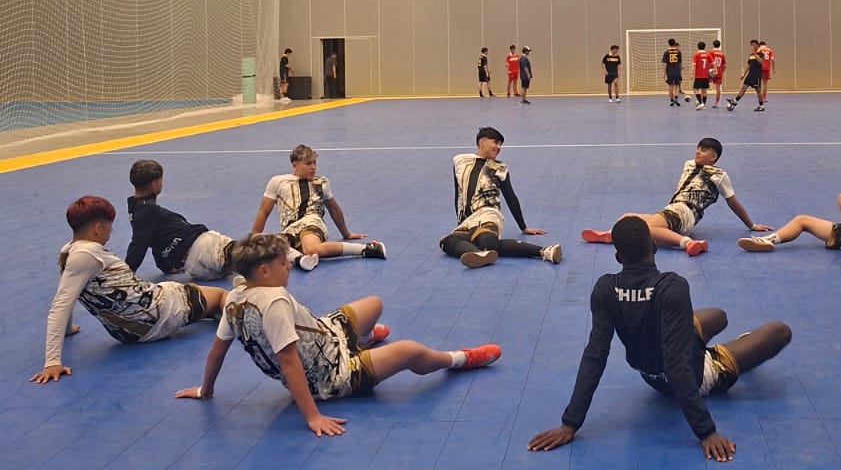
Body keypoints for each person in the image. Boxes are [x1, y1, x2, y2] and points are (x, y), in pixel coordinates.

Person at [176, 233, 500, 436]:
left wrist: (206, 389)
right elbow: (288, 362)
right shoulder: (273, 302)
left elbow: (217, 350)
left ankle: (362, 342)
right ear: (264, 271)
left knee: (373, 304)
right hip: (330, 375)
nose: (289, 267)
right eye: (283, 263)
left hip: (325, 335)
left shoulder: (235, 297)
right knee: (409, 351)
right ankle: (458, 359)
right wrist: (313, 416)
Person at [528, 216, 792, 461]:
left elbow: (594, 356)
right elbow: (676, 364)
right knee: (779, 331)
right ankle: (721, 355)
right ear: (653, 247)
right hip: (693, 377)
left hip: (650, 373)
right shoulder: (672, 286)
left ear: (618, 257)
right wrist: (706, 432)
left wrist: (570, 423)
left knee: (718, 316)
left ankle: (706, 344)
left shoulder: (605, 288)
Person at [32, 196, 225, 384]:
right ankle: (233, 321)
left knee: (192, 294)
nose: (111, 230)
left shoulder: (67, 252)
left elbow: (68, 291)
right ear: (98, 228)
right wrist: (52, 362)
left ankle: (207, 311)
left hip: (127, 331)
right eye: (109, 225)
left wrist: (67, 329)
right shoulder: (87, 255)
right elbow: (61, 305)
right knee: (220, 296)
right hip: (158, 315)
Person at [127, 159, 316, 279]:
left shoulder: (137, 210)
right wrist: (126, 274)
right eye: (161, 181)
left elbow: (152, 240)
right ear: (154, 185)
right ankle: (298, 259)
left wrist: (166, 267)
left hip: (195, 268)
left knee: (236, 264)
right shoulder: (148, 210)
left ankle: (277, 263)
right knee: (255, 248)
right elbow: (139, 244)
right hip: (204, 248)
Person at [580, 137, 766, 255]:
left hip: (686, 212)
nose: (698, 151)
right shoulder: (689, 164)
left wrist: (751, 225)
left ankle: (687, 243)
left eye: (703, 150)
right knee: (626, 217)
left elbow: (732, 202)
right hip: (672, 209)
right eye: (698, 147)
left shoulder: (719, 175)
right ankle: (613, 233)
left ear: (714, 157)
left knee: (645, 228)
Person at [439, 126, 561, 268]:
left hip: (489, 214)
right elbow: (459, 193)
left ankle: (544, 251)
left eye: (500, 144)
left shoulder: (499, 167)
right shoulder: (459, 161)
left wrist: (523, 226)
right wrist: (460, 221)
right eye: (495, 142)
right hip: (468, 219)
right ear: (482, 142)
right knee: (447, 242)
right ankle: (479, 255)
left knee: (486, 241)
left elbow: (510, 196)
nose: (499, 147)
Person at [250, 144, 386, 263]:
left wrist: (346, 233)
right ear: (294, 164)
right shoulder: (277, 182)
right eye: (308, 164)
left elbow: (334, 209)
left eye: (314, 163)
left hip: (312, 222)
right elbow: (263, 212)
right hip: (289, 229)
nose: (313, 167)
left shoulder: (321, 182)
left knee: (312, 249)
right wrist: (253, 240)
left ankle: (367, 249)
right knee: (267, 250)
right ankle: (300, 260)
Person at [727, 41, 764, 110]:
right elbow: (749, 65)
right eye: (751, 45)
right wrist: (744, 74)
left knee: (758, 91)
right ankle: (735, 101)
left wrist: (754, 53)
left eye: (754, 45)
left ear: (758, 45)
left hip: (756, 75)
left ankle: (761, 106)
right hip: (750, 74)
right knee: (743, 87)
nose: (753, 46)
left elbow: (760, 61)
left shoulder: (761, 54)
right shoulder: (751, 55)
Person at [662, 39, 684, 106]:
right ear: (674, 43)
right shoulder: (678, 52)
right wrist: (680, 69)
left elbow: (664, 64)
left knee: (670, 85)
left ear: (668, 43)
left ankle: (671, 100)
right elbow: (680, 63)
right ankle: (676, 98)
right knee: (677, 85)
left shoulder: (666, 52)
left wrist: (663, 73)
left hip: (669, 71)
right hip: (677, 71)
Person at [690, 41, 711, 108]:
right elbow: (712, 63)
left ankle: (700, 102)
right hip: (706, 75)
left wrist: (692, 73)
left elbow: (694, 65)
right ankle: (703, 105)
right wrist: (713, 71)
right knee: (704, 91)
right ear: (704, 47)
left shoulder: (696, 54)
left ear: (698, 47)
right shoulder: (708, 54)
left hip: (698, 75)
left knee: (695, 89)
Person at [756, 39, 774, 107]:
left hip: (759, 67)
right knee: (765, 83)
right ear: (765, 44)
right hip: (766, 68)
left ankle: (759, 96)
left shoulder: (758, 49)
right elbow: (772, 59)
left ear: (759, 45)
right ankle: (764, 98)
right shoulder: (770, 50)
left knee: (758, 82)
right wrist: (773, 68)